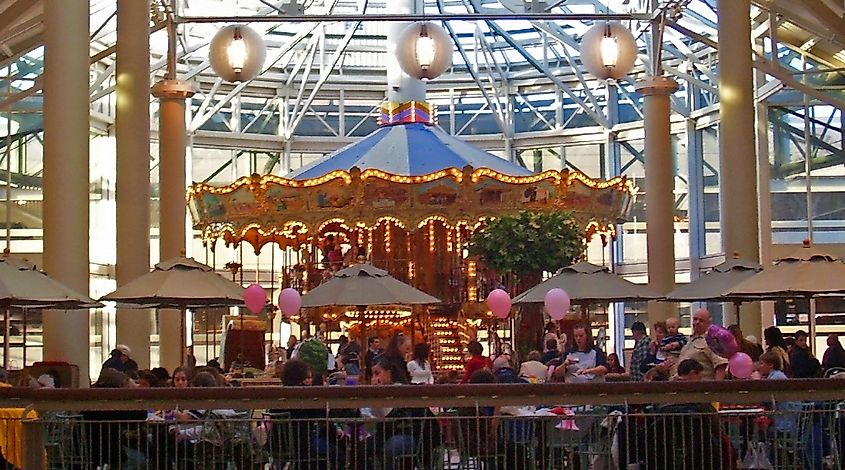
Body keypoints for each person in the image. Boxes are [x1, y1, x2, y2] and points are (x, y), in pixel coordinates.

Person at [667, 309, 728, 380]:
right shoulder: (688, 340)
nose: (697, 322)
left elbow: (720, 366)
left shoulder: (712, 341)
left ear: (708, 323)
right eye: (695, 319)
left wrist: (717, 388)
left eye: (701, 320)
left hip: (701, 387)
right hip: (681, 385)